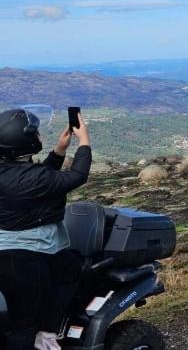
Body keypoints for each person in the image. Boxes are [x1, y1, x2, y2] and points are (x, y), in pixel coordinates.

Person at [0, 109, 91, 350]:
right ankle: (47, 333)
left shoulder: (9, 171)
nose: (39, 134)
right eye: (36, 132)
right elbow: (77, 176)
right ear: (26, 141)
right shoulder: (32, 178)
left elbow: (37, 180)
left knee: (69, 266)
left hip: (5, 249)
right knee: (24, 326)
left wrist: (59, 151)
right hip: (25, 257)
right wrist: (84, 141)